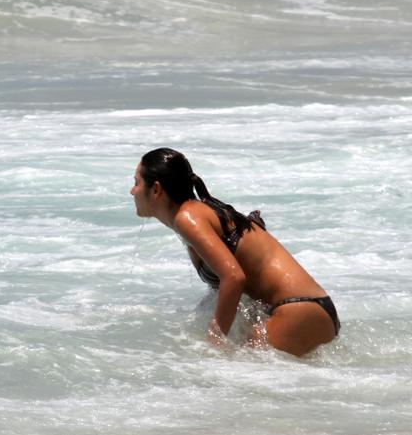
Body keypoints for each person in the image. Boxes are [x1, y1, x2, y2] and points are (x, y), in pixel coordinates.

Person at [130, 148, 340, 356]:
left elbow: (233, 276)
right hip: (306, 310)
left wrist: (214, 340)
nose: (132, 191)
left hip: (297, 309)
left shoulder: (188, 218)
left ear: (156, 189)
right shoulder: (195, 214)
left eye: (137, 183)